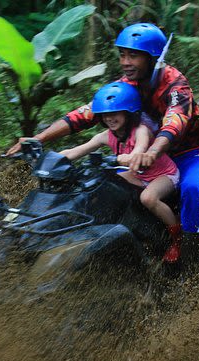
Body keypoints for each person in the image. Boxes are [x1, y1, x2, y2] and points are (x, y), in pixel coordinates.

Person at [7, 23, 199, 246]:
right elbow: (86, 113)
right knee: (100, 184)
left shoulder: (176, 85)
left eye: (133, 56)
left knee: (191, 189)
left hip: (193, 152)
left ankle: (195, 245)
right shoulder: (126, 86)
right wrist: (39, 139)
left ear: (152, 58)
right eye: (122, 55)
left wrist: (152, 151)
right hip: (147, 157)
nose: (125, 62)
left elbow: (175, 120)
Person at [59, 82, 182, 263]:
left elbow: (139, 150)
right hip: (139, 175)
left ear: (129, 112)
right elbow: (75, 151)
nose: (110, 118)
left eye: (115, 113)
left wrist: (129, 157)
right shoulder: (106, 136)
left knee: (148, 198)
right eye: (106, 114)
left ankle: (177, 237)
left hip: (164, 175)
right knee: (104, 185)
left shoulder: (141, 130)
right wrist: (51, 159)